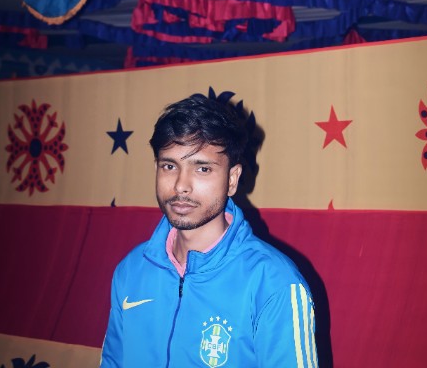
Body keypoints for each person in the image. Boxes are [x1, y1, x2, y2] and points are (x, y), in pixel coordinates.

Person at [100, 94, 318, 368]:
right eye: (170, 166)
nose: (181, 185)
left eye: (202, 168)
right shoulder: (131, 270)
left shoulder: (274, 282)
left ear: (232, 179)